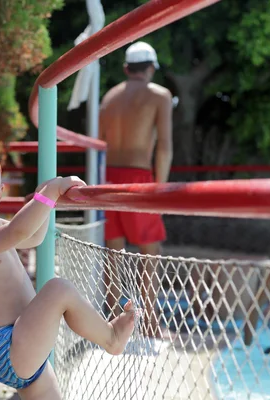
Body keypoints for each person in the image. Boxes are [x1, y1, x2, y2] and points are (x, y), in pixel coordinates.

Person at [0, 140, 136, 400]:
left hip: (24, 338)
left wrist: (47, 203)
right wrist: (49, 193)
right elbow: (18, 230)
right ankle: (111, 339)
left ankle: (110, 337)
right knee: (58, 289)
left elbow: (33, 238)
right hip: (10, 345)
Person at [99, 41, 173, 338]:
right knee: (150, 251)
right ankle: (150, 322)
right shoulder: (160, 95)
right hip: (139, 177)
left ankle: (114, 320)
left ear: (126, 68)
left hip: (107, 176)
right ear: (152, 67)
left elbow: (100, 143)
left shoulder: (110, 97)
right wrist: (162, 190)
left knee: (113, 251)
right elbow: (165, 147)